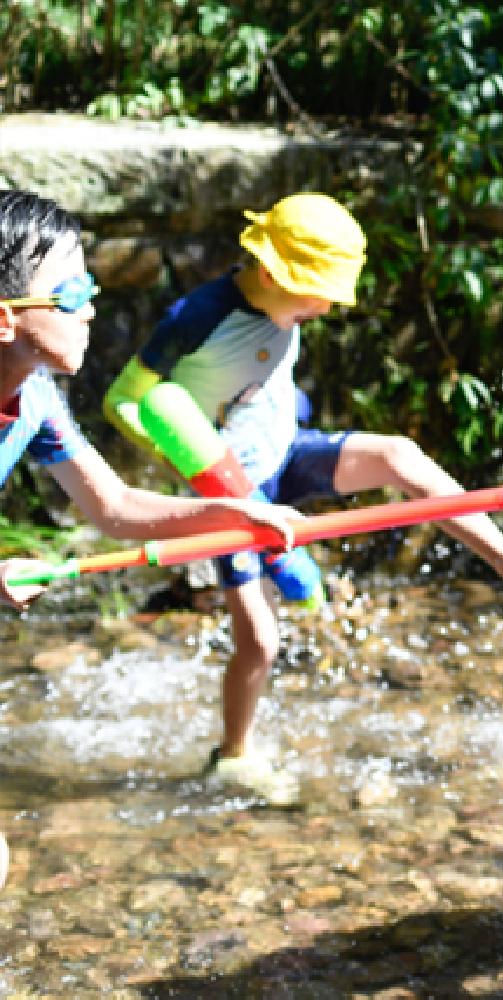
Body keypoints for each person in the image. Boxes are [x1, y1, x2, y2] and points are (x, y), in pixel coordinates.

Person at [102, 192, 503, 806]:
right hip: (234, 494)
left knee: (399, 456)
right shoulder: (197, 316)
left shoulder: (283, 308)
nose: (327, 307)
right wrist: (186, 459)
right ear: (272, 274)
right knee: (261, 641)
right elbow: (122, 399)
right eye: (316, 293)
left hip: (285, 453)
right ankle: (234, 755)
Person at [0, 188, 297, 887]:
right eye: (70, 292)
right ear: (5, 320)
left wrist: (239, 515)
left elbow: (117, 505)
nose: (92, 307)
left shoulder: (36, 394)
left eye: (91, 285)